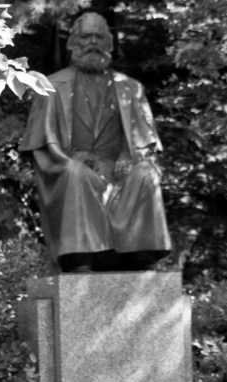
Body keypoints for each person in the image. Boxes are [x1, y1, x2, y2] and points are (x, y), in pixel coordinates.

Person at [20, 12, 172, 272]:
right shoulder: (50, 86)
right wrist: (68, 159)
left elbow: (146, 143)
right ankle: (80, 257)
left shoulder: (131, 88)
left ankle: (141, 255)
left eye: (99, 36)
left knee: (146, 173)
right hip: (73, 167)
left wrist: (130, 157)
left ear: (110, 44)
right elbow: (42, 145)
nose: (93, 42)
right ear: (72, 43)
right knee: (76, 174)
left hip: (118, 171)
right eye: (86, 36)